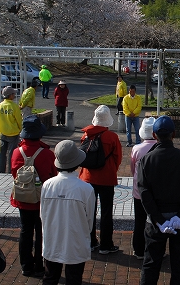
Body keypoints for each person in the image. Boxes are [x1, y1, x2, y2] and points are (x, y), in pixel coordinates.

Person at [137, 115, 180, 284]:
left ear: (154, 135)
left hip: (155, 221)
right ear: (173, 134)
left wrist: (158, 220)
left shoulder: (146, 160)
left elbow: (144, 193)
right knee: (179, 265)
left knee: (150, 264)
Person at [41, 140, 96, 285]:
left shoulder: (47, 185)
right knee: (74, 279)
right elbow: (89, 220)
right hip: (76, 242)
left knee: (50, 278)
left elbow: (43, 214)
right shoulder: (86, 189)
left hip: (52, 239)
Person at [10, 115, 57, 277]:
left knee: (25, 230)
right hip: (41, 198)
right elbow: (53, 175)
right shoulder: (46, 154)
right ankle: (39, 263)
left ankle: (26, 265)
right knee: (41, 231)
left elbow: (14, 174)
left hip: (23, 198)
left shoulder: (17, 152)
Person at [79, 105, 122, 255]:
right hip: (106, 178)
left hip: (87, 177)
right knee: (106, 212)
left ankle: (90, 241)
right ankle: (106, 244)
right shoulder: (112, 137)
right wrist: (111, 170)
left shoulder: (86, 135)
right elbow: (118, 158)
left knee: (88, 211)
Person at [130, 117, 157, 259]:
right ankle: (154, 250)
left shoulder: (136, 149)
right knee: (156, 220)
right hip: (156, 193)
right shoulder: (160, 148)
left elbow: (132, 168)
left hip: (139, 191)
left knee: (139, 221)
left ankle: (138, 250)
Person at [0, 86, 22, 174]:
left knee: (2, 153)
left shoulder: (0, 105)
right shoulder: (14, 106)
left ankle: (1, 171)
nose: (14, 95)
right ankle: (11, 171)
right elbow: (18, 119)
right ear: (10, 95)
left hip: (2, 132)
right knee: (11, 154)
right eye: (13, 93)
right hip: (13, 132)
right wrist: (20, 129)